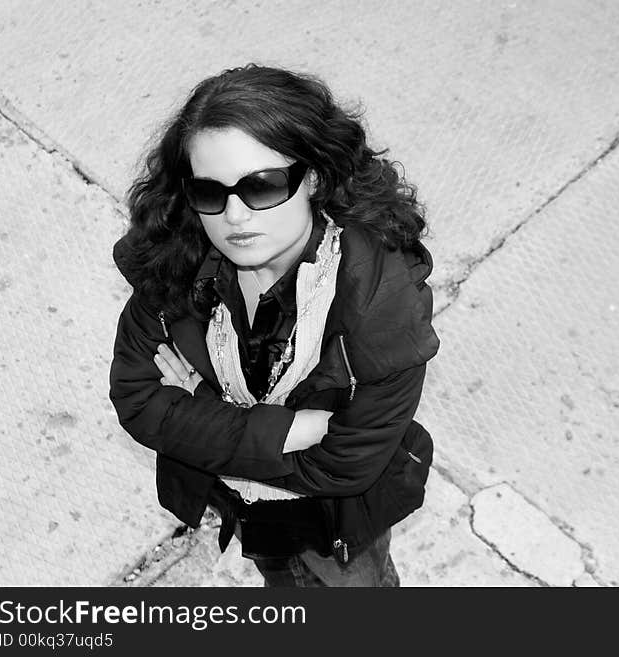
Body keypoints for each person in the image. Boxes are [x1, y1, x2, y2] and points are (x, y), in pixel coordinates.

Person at [108, 63, 440, 587]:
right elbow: (138, 401)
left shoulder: (381, 306)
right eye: (210, 193)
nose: (235, 217)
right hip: (245, 511)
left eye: (261, 187)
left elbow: (342, 468)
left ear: (311, 177)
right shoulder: (176, 262)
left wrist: (200, 413)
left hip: (335, 535)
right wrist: (289, 430)